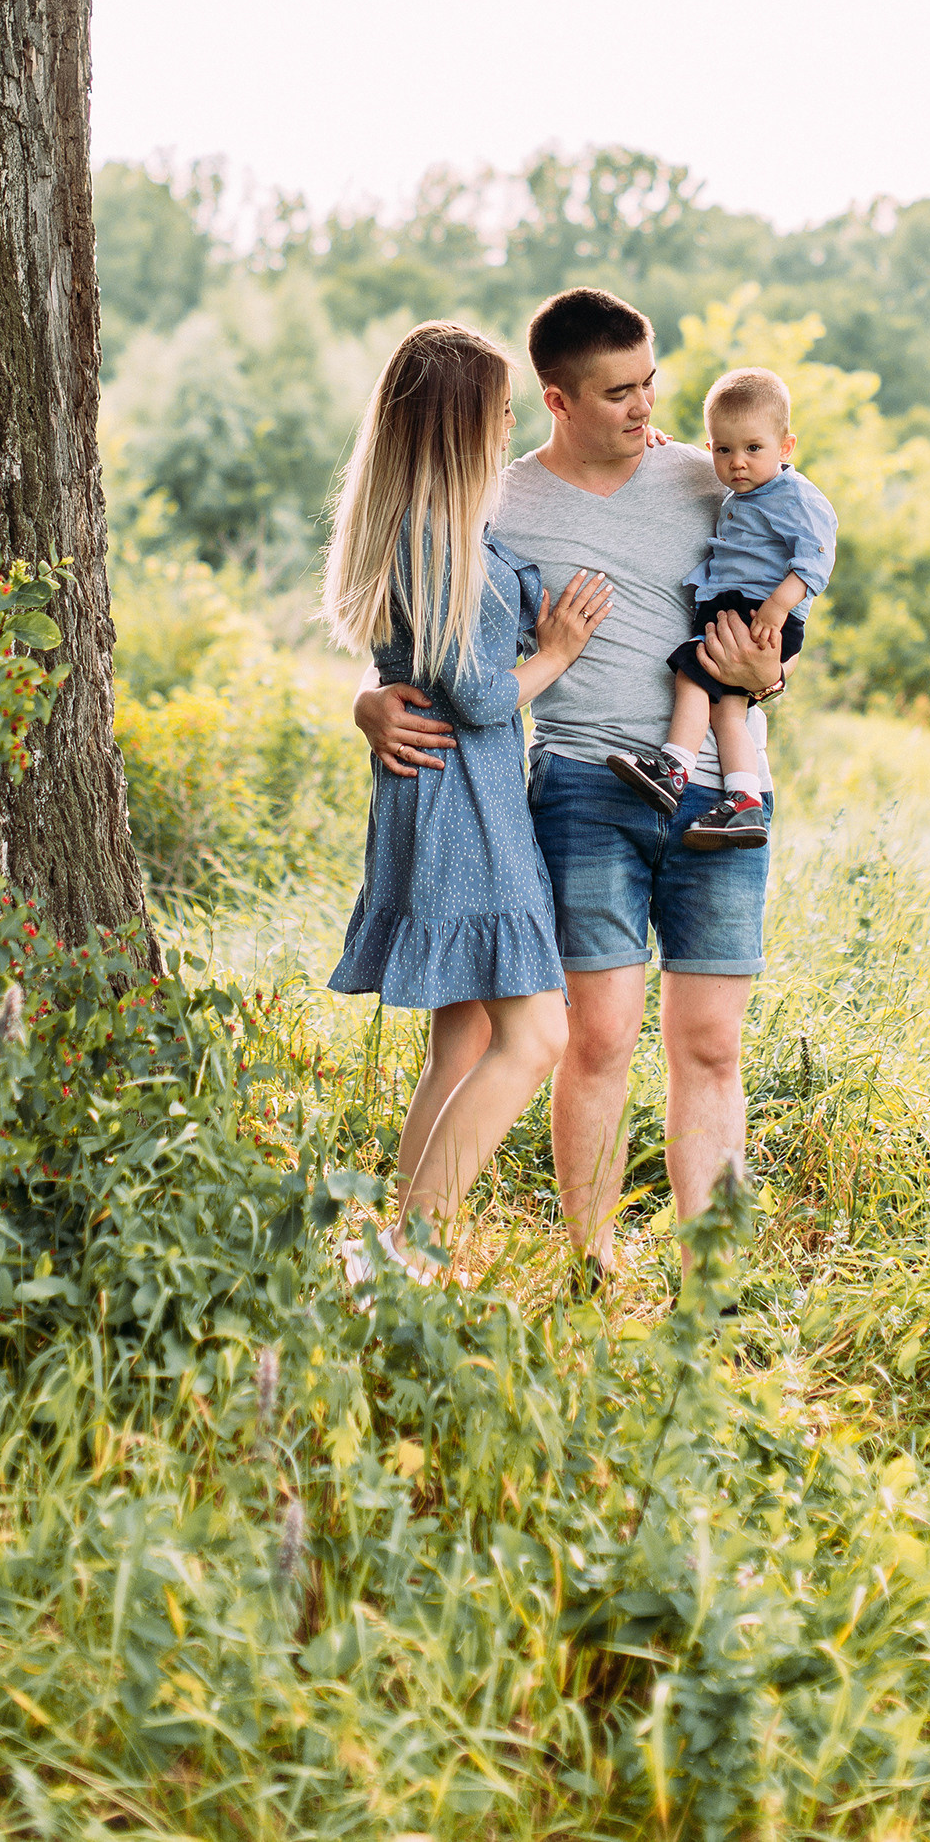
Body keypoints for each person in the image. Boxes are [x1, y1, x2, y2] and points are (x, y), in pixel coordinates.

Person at [353, 287, 785, 1278]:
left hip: (718, 784)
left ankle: (709, 1278)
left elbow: (775, 608)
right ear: (555, 400)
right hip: (577, 789)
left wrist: (773, 674)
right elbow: (423, 622)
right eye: (616, 393)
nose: (642, 409)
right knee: (583, 1036)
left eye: (647, 386)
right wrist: (368, 699)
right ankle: (576, 1259)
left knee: (708, 1042)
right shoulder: (497, 497)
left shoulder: (708, 478)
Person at [322, 319, 611, 1272]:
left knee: (465, 1039)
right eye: (496, 411)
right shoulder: (447, 548)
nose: (508, 423)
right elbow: (484, 695)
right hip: (466, 809)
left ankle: (390, 1256)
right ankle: (410, 1252)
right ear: (457, 428)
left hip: (431, 799)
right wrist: (557, 653)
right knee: (535, 1036)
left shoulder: (417, 532)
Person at [609, 364, 836, 845]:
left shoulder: (796, 496)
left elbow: (816, 558)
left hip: (760, 611)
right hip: (737, 606)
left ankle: (674, 767)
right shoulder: (741, 493)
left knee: (692, 673)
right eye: (725, 450)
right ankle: (744, 800)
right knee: (729, 710)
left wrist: (778, 607)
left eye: (754, 449)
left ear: (786, 448)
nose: (738, 463)